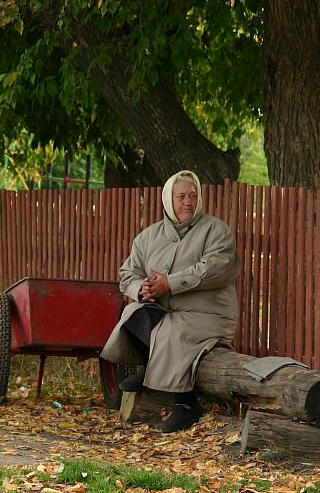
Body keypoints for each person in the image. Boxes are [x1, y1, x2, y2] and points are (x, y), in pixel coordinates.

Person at [100, 170, 241, 433]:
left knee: (173, 331)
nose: (187, 202)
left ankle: (185, 405)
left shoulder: (216, 231)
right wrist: (142, 289)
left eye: (192, 196)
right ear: (168, 200)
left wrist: (169, 283)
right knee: (133, 314)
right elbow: (127, 274)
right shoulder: (148, 237)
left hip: (208, 315)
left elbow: (214, 269)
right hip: (168, 312)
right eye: (181, 197)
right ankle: (154, 368)